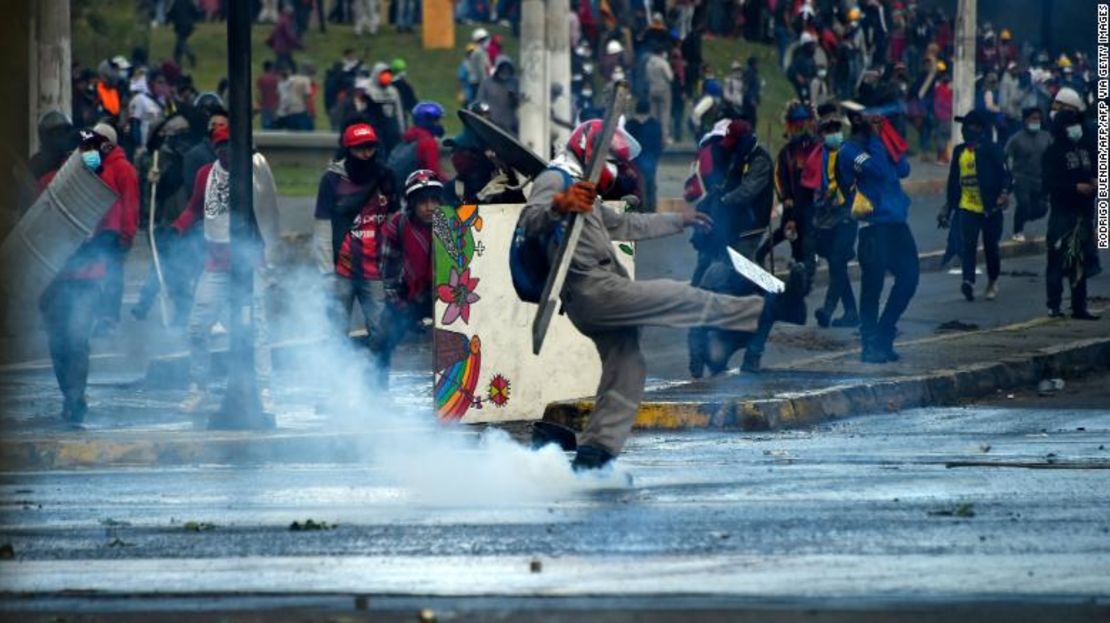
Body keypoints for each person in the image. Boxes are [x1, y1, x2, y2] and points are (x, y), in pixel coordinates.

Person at [517, 120, 805, 470]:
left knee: (628, 368)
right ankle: (760, 312)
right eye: (615, 160)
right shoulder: (557, 179)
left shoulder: (582, 186)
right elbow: (530, 220)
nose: (619, 170)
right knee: (680, 295)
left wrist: (679, 221)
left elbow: (624, 224)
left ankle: (595, 455)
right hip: (594, 291)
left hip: (596, 291)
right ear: (592, 152)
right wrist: (559, 205)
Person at [174, 126, 278, 413]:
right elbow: (196, 207)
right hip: (216, 265)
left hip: (248, 266)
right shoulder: (206, 174)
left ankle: (265, 388)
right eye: (221, 146)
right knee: (197, 327)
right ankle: (198, 386)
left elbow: (268, 215)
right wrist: (178, 226)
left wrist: (269, 262)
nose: (226, 151)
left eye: (230, 146)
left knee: (258, 330)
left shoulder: (255, 172)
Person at [40, 125, 139, 424]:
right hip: (56, 276)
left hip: (87, 275)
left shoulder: (103, 182)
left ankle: (75, 397)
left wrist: (117, 243)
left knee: (77, 338)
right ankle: (69, 394)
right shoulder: (50, 182)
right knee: (58, 342)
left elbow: (115, 225)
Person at [686, 119, 778, 376]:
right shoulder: (738, 157)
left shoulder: (759, 160)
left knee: (768, 293)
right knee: (711, 293)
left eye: (733, 144)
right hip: (730, 240)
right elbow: (727, 185)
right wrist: (718, 194)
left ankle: (749, 355)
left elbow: (746, 192)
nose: (728, 149)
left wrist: (723, 200)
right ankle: (704, 352)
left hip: (747, 235)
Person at [313, 123, 399, 390]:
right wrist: (326, 270)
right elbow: (322, 225)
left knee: (382, 333)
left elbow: (395, 221)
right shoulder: (332, 180)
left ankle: (377, 390)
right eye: (360, 148)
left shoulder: (386, 177)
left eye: (370, 147)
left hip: (376, 268)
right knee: (334, 333)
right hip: (341, 269)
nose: (366, 154)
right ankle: (333, 391)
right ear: (349, 149)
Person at [837, 102, 919, 364]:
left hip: (896, 224)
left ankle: (885, 333)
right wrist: (875, 139)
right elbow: (880, 172)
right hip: (873, 227)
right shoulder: (850, 151)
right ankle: (869, 343)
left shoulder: (879, 143)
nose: (875, 120)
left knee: (909, 278)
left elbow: (903, 169)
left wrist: (888, 139)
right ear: (856, 120)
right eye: (868, 118)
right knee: (872, 287)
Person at [379, 169, 439, 383]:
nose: (430, 207)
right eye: (423, 201)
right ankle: (376, 391)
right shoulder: (398, 224)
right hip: (408, 294)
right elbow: (387, 273)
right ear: (412, 203)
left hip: (444, 295)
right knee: (384, 335)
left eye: (435, 201)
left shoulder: (453, 224)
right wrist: (399, 305)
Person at [944, 109, 1010, 302]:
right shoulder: (959, 151)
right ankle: (968, 281)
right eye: (964, 127)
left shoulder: (992, 149)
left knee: (991, 247)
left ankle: (992, 280)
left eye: (970, 126)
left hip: (990, 207)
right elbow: (953, 180)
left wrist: (1004, 193)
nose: (966, 130)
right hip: (967, 206)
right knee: (968, 245)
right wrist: (948, 207)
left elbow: (1005, 174)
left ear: (980, 129)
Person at [804, 105, 859, 329]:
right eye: (828, 129)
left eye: (836, 128)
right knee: (837, 265)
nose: (833, 133)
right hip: (826, 218)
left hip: (847, 215)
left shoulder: (850, 152)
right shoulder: (818, 155)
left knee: (837, 263)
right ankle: (852, 312)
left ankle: (827, 310)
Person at [1042, 110, 1099, 320]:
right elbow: (1049, 184)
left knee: (1080, 262)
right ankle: (1054, 305)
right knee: (1056, 261)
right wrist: (1075, 187)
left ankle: (1079, 307)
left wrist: (1093, 182)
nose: (1076, 128)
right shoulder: (1053, 152)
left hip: (1083, 214)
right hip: (1062, 214)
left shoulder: (1084, 149)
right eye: (1071, 124)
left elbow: (1092, 172)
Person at [1004, 107, 1051, 242]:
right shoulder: (1016, 139)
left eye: (1038, 119)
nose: (1036, 121)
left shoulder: (1046, 137)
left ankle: (1022, 216)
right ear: (1025, 121)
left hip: (1040, 179)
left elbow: (1053, 154)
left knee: (1042, 209)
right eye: (1033, 119)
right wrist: (1009, 174)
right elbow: (1006, 156)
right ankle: (1017, 230)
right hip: (1021, 178)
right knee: (1023, 203)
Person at [624, 99, 663, 212]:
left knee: (634, 185)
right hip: (650, 158)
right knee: (650, 184)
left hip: (634, 159)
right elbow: (658, 145)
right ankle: (651, 208)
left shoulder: (630, 124)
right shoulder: (655, 124)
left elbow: (626, 143)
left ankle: (635, 208)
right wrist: (656, 157)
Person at [476, 57, 520, 135]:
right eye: (502, 68)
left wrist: (514, 96)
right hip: (492, 123)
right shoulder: (487, 83)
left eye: (507, 69)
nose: (505, 71)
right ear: (497, 69)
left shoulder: (515, 82)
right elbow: (480, 101)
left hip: (510, 125)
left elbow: (519, 103)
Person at [645, 48, 674, 144]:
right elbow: (670, 77)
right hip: (663, 89)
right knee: (664, 114)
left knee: (653, 115)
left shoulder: (648, 63)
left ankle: (652, 137)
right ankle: (664, 138)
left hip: (652, 89)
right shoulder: (663, 63)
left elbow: (646, 77)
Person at [257, 60, 281, 130]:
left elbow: (259, 94)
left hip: (265, 106)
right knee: (276, 128)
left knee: (266, 128)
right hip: (276, 106)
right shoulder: (277, 78)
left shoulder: (261, 79)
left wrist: (260, 104)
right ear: (271, 68)